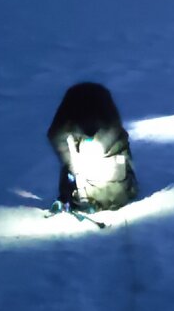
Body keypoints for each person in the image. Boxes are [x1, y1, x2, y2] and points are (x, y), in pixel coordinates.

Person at [46, 82, 138, 213]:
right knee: (72, 159)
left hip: (103, 135)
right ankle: (71, 194)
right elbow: (56, 135)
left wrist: (98, 148)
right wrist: (71, 162)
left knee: (110, 151)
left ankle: (122, 185)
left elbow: (115, 129)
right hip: (80, 127)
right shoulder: (67, 121)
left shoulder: (107, 117)